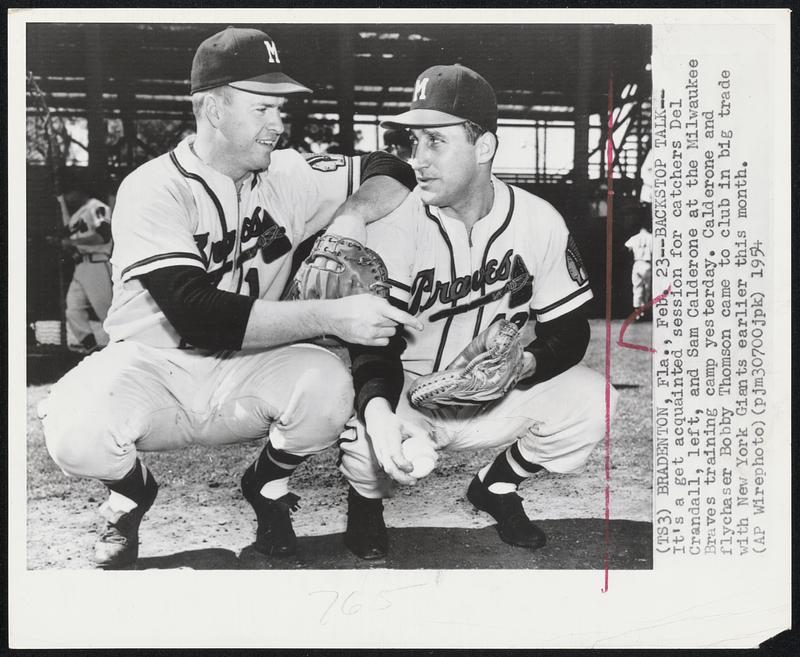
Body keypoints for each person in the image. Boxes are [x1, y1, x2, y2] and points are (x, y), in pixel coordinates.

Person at [39, 26, 421, 568]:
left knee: (328, 384)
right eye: (262, 107)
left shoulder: (288, 172)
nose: (278, 123)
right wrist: (330, 314)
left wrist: (353, 215)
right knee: (75, 430)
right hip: (155, 368)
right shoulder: (154, 187)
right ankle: (129, 496)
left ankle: (266, 489)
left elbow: (391, 167)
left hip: (249, 367)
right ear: (213, 108)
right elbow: (197, 315)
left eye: (279, 109)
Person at [337, 64, 618, 559]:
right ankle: (366, 502)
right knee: (365, 437)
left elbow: (570, 330)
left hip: (495, 392)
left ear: (483, 147)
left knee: (596, 399)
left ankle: (497, 487)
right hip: (409, 395)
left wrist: (525, 365)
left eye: (435, 142)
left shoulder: (538, 220)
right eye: (413, 142)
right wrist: (381, 410)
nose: (417, 160)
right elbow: (372, 344)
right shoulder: (397, 221)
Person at [49, 188, 113, 352]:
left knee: (107, 313)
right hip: (82, 266)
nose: (69, 197)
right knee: (73, 310)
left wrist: (72, 244)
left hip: (98, 264)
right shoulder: (79, 214)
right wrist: (62, 204)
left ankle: (122, 348)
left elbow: (104, 235)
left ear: (81, 190)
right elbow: (67, 232)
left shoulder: (98, 207)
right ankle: (92, 349)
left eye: (70, 193)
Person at [624, 220, 653, 316]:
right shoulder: (652, 237)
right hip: (647, 263)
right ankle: (644, 309)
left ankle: (637, 310)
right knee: (647, 288)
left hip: (637, 263)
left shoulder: (634, 238)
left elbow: (627, 247)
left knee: (637, 287)